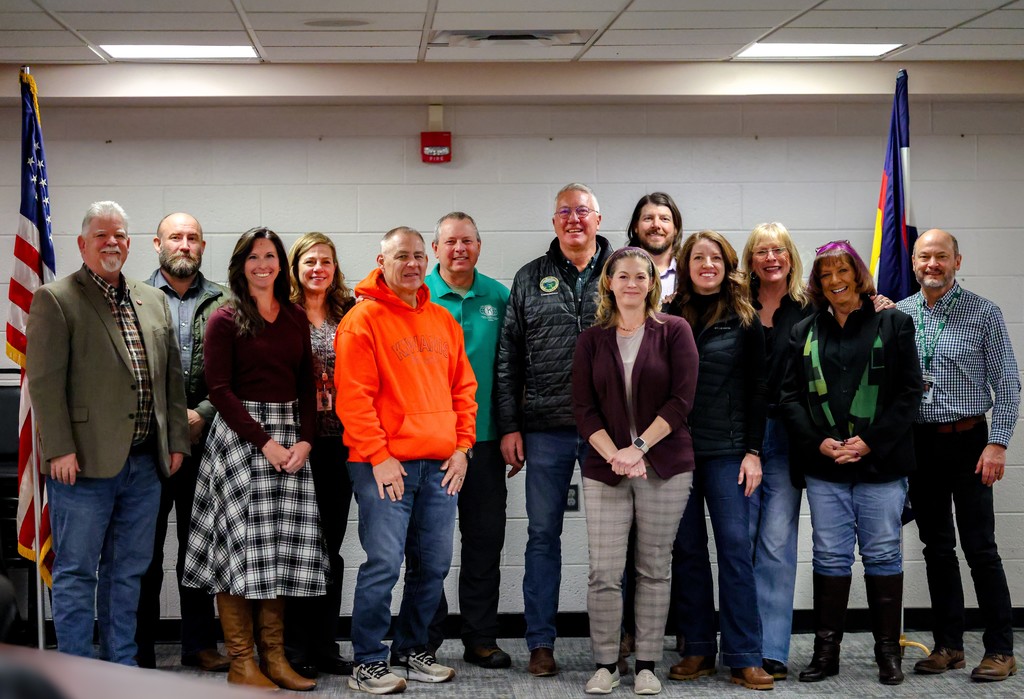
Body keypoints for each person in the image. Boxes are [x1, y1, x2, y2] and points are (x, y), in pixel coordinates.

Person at [26, 201, 190, 664]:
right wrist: (58, 448)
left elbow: (171, 380)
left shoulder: (151, 298)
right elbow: (44, 383)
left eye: (118, 235)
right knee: (78, 573)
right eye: (101, 235)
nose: (111, 242)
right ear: (83, 244)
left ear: (129, 243)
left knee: (128, 574)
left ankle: (121, 667)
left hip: (144, 466)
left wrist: (176, 439)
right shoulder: (57, 299)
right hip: (81, 465)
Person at [182, 227, 326, 692]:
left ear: (281, 264)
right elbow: (218, 391)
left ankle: (275, 658)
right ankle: (242, 661)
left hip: (291, 440)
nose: (262, 264)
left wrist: (304, 442)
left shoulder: (295, 317)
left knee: (278, 553)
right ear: (240, 264)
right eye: (253, 257)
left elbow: (307, 385)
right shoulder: (224, 318)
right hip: (242, 441)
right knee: (237, 555)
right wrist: (265, 442)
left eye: (270, 256)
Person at [336, 227, 477, 695]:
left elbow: (464, 391)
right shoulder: (362, 320)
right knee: (383, 564)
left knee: (434, 564)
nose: (413, 264)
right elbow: (353, 400)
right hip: (385, 464)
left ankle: (414, 651)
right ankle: (368, 661)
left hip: (439, 464)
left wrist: (462, 448)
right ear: (382, 260)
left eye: (419, 255)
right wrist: (378, 456)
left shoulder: (443, 320)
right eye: (402, 256)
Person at [780, 240, 922, 686]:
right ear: (817, 284)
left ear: (858, 274)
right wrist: (819, 442)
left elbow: (909, 394)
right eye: (825, 275)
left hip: (880, 464)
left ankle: (887, 656)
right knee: (830, 555)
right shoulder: (803, 330)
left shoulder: (895, 322)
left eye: (843, 271)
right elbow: (789, 396)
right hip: (826, 467)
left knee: (881, 552)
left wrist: (869, 443)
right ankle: (826, 655)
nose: (835, 281)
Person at [496, 182, 613, 677]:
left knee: (610, 540)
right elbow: (508, 360)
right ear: (553, 222)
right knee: (543, 535)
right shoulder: (529, 278)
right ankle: (541, 642)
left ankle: (615, 641)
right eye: (564, 212)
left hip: (610, 432)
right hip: (544, 428)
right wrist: (509, 426)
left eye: (582, 211)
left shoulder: (623, 273)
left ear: (598, 220)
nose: (573, 219)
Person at [572, 247, 699, 696]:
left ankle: (646, 663)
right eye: (621, 275)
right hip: (605, 466)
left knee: (653, 568)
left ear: (652, 283)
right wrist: (618, 455)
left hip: (664, 464)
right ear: (608, 283)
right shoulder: (592, 339)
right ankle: (607, 663)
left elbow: (682, 401)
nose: (631, 283)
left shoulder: (675, 331)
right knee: (604, 571)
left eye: (640, 276)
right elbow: (584, 410)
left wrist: (639, 446)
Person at [896, 229, 1020, 682]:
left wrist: (998, 443)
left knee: (980, 548)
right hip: (920, 444)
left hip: (970, 441)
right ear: (913, 262)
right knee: (936, 548)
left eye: (941, 257)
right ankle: (949, 645)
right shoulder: (902, 314)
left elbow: (1008, 384)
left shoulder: (984, 312)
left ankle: (1001, 649)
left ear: (957, 261)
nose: (933, 264)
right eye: (925, 257)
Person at [665, 230, 770, 691]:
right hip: (678, 453)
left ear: (728, 265)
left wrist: (753, 451)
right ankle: (697, 650)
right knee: (686, 553)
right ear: (686, 265)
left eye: (715, 258)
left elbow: (758, 391)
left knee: (734, 551)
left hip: (729, 452)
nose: (707, 264)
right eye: (698, 258)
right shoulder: (668, 315)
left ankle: (745, 655)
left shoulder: (746, 318)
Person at [417, 212, 512, 668]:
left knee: (484, 540)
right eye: (450, 242)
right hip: (431, 444)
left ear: (479, 246)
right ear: (435, 249)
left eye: (468, 241)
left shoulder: (498, 295)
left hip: (487, 442)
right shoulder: (416, 297)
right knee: (427, 547)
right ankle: (424, 640)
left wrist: (514, 429)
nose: (459, 249)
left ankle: (480, 637)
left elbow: (513, 371)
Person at [136, 212, 229, 671]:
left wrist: (202, 414)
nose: (185, 244)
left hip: (205, 442)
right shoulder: (131, 298)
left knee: (198, 552)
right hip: (146, 447)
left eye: (193, 237)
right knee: (143, 555)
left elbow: (238, 372)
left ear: (203, 247)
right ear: (157, 244)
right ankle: (139, 650)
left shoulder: (224, 301)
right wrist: (166, 420)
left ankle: (198, 644)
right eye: (176, 236)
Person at [739, 222, 811, 680]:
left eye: (778, 250)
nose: (771, 258)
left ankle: (772, 650)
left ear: (790, 257)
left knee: (777, 547)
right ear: (751, 259)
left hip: (788, 437)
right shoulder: (734, 307)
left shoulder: (809, 306)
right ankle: (742, 647)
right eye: (762, 250)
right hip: (739, 437)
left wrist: (880, 302)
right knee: (738, 544)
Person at [284, 232, 356, 678]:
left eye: (326, 262)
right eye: (310, 261)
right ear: (295, 267)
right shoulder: (282, 314)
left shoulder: (350, 311)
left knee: (330, 547)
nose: (318, 269)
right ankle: (293, 646)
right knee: (295, 545)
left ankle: (325, 642)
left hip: (339, 445)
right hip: (294, 444)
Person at [624, 192, 684, 304]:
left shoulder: (690, 273)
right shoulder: (618, 271)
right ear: (636, 227)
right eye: (648, 218)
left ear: (676, 228)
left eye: (664, 219)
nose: (656, 225)